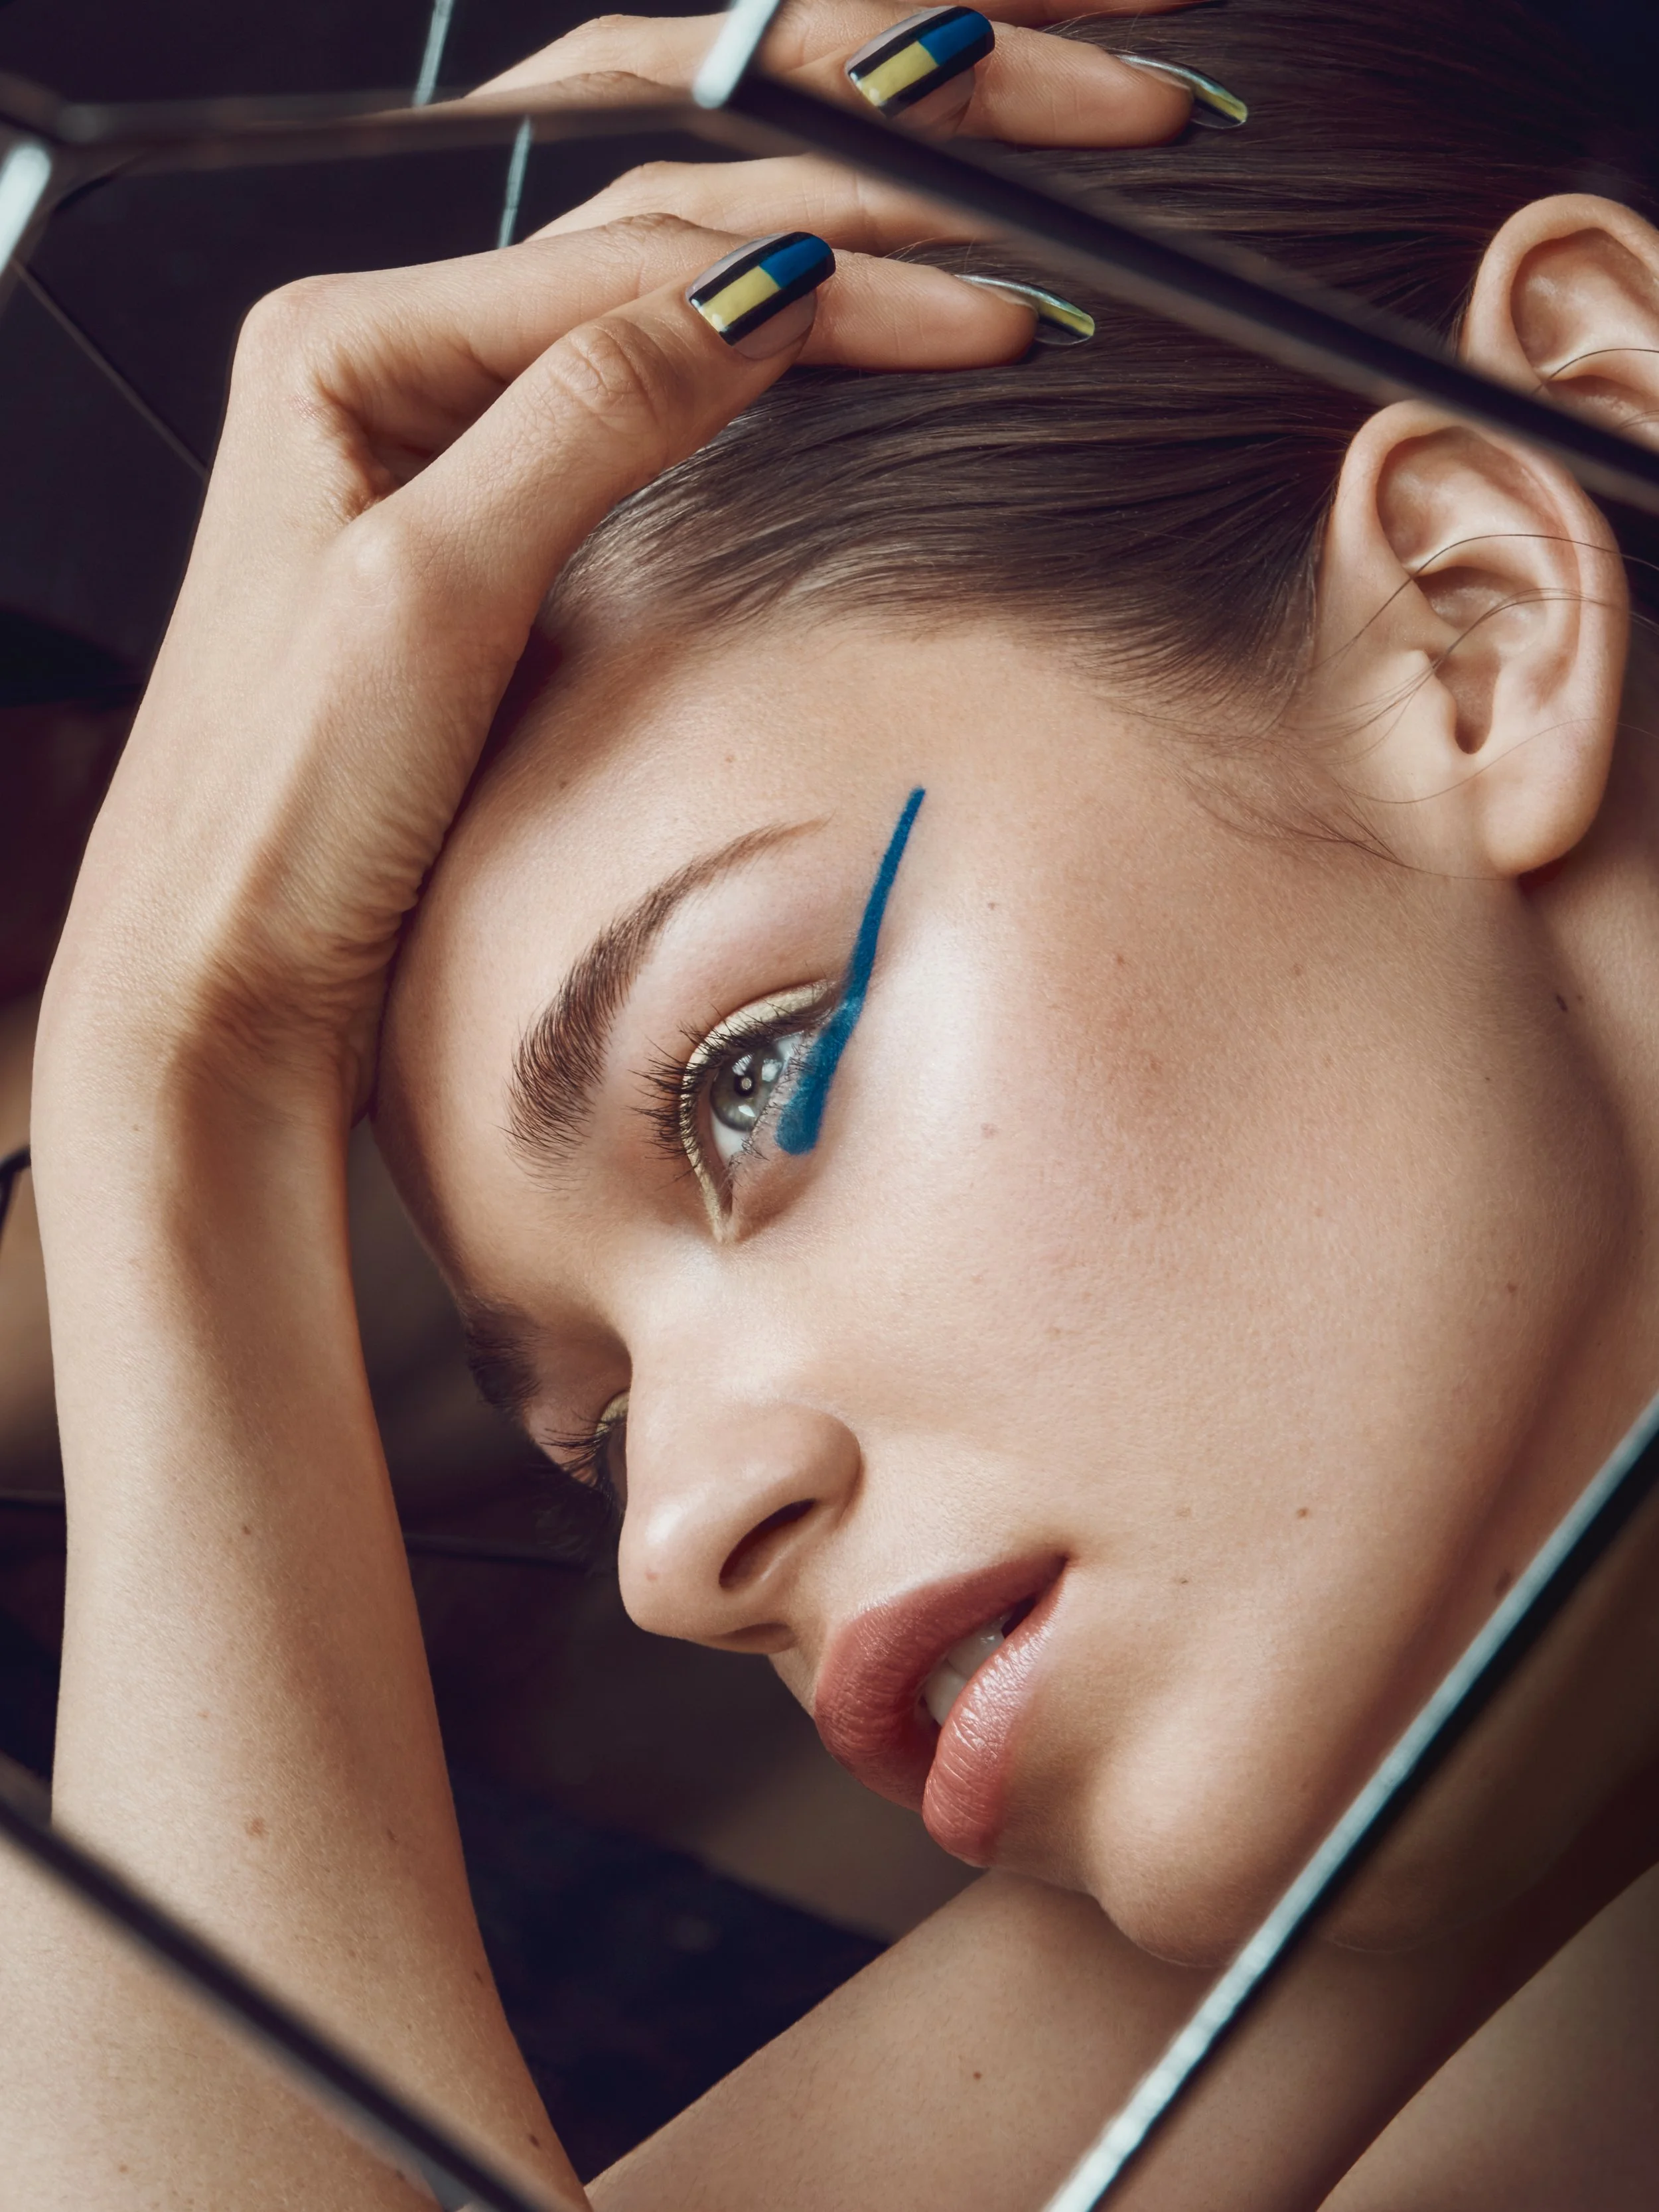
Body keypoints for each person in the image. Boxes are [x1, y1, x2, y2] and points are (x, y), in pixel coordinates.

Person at [12, 0, 1659, 2203]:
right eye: (589, 1430)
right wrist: (171, 1089)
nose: (675, 1547)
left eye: (747, 1073)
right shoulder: (1442, 1790)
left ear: (1476, 614)